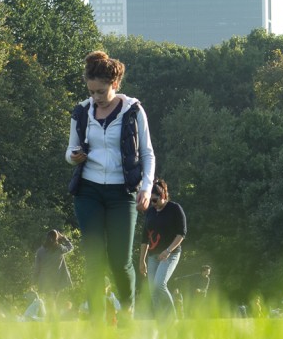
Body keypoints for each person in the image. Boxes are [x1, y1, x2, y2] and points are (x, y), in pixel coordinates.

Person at [66, 51, 155, 320]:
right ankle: (95, 319)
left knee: (120, 259)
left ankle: (127, 308)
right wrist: (74, 156)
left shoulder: (134, 111)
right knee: (94, 258)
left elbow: (148, 153)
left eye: (101, 92)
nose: (96, 98)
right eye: (91, 92)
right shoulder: (81, 112)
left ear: (115, 85)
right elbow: (69, 151)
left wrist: (146, 188)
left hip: (122, 193)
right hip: (88, 190)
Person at [138, 179, 187, 319]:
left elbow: (181, 233)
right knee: (153, 290)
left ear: (163, 196)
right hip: (153, 255)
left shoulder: (175, 208)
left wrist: (168, 250)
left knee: (159, 284)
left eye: (155, 200)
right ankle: (161, 321)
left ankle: (172, 318)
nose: (153, 204)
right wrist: (142, 261)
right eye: (151, 201)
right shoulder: (150, 212)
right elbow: (144, 239)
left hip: (170, 254)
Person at [33, 229, 74, 311]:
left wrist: (34, 281)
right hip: (57, 279)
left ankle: (50, 316)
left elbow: (37, 268)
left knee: (50, 299)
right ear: (56, 238)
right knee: (53, 299)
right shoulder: (59, 249)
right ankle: (52, 317)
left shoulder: (40, 251)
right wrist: (63, 238)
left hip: (45, 279)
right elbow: (70, 247)